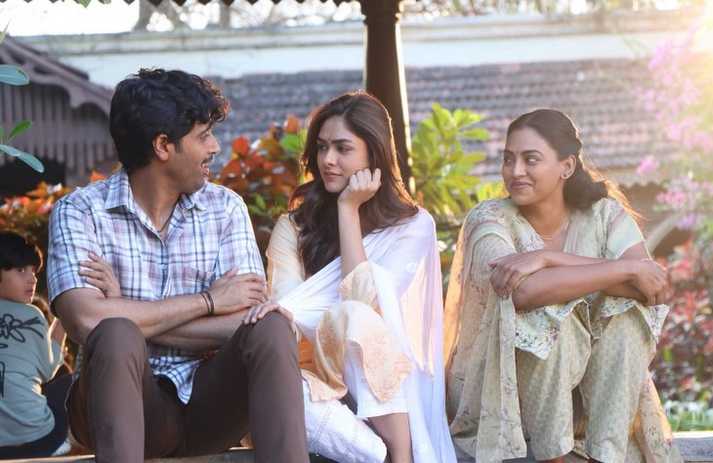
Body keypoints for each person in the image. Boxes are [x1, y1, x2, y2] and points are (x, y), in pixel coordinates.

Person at [46, 68, 308, 463]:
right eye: (203, 135)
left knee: (270, 326)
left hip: (209, 407)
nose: (215, 147)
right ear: (163, 145)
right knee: (116, 335)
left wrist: (127, 309)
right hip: (120, 407)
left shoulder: (225, 208)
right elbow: (86, 321)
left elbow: (244, 322)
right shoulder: (80, 212)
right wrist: (208, 301)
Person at [444, 109, 682, 463]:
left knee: (627, 318)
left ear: (566, 167)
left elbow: (651, 289)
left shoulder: (604, 215)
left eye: (530, 159)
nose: (515, 171)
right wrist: (624, 270)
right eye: (508, 159)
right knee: (557, 315)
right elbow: (522, 293)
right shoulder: (490, 220)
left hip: (587, 403)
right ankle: (552, 457)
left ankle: (605, 456)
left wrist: (548, 259)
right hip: (506, 396)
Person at [244, 91, 457, 463]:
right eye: (322, 147)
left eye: (343, 149)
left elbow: (364, 304)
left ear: (373, 155)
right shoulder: (294, 226)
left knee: (354, 317)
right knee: (277, 388)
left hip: (383, 382)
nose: (328, 160)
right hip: (312, 377)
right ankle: (389, 457)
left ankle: (398, 452)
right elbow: (287, 311)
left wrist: (348, 211)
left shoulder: (412, 226)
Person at [0, 231, 71, 458]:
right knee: (68, 381)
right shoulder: (31, 315)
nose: (32, 279)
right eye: (21, 270)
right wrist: (63, 317)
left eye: (34, 271)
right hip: (39, 440)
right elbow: (49, 370)